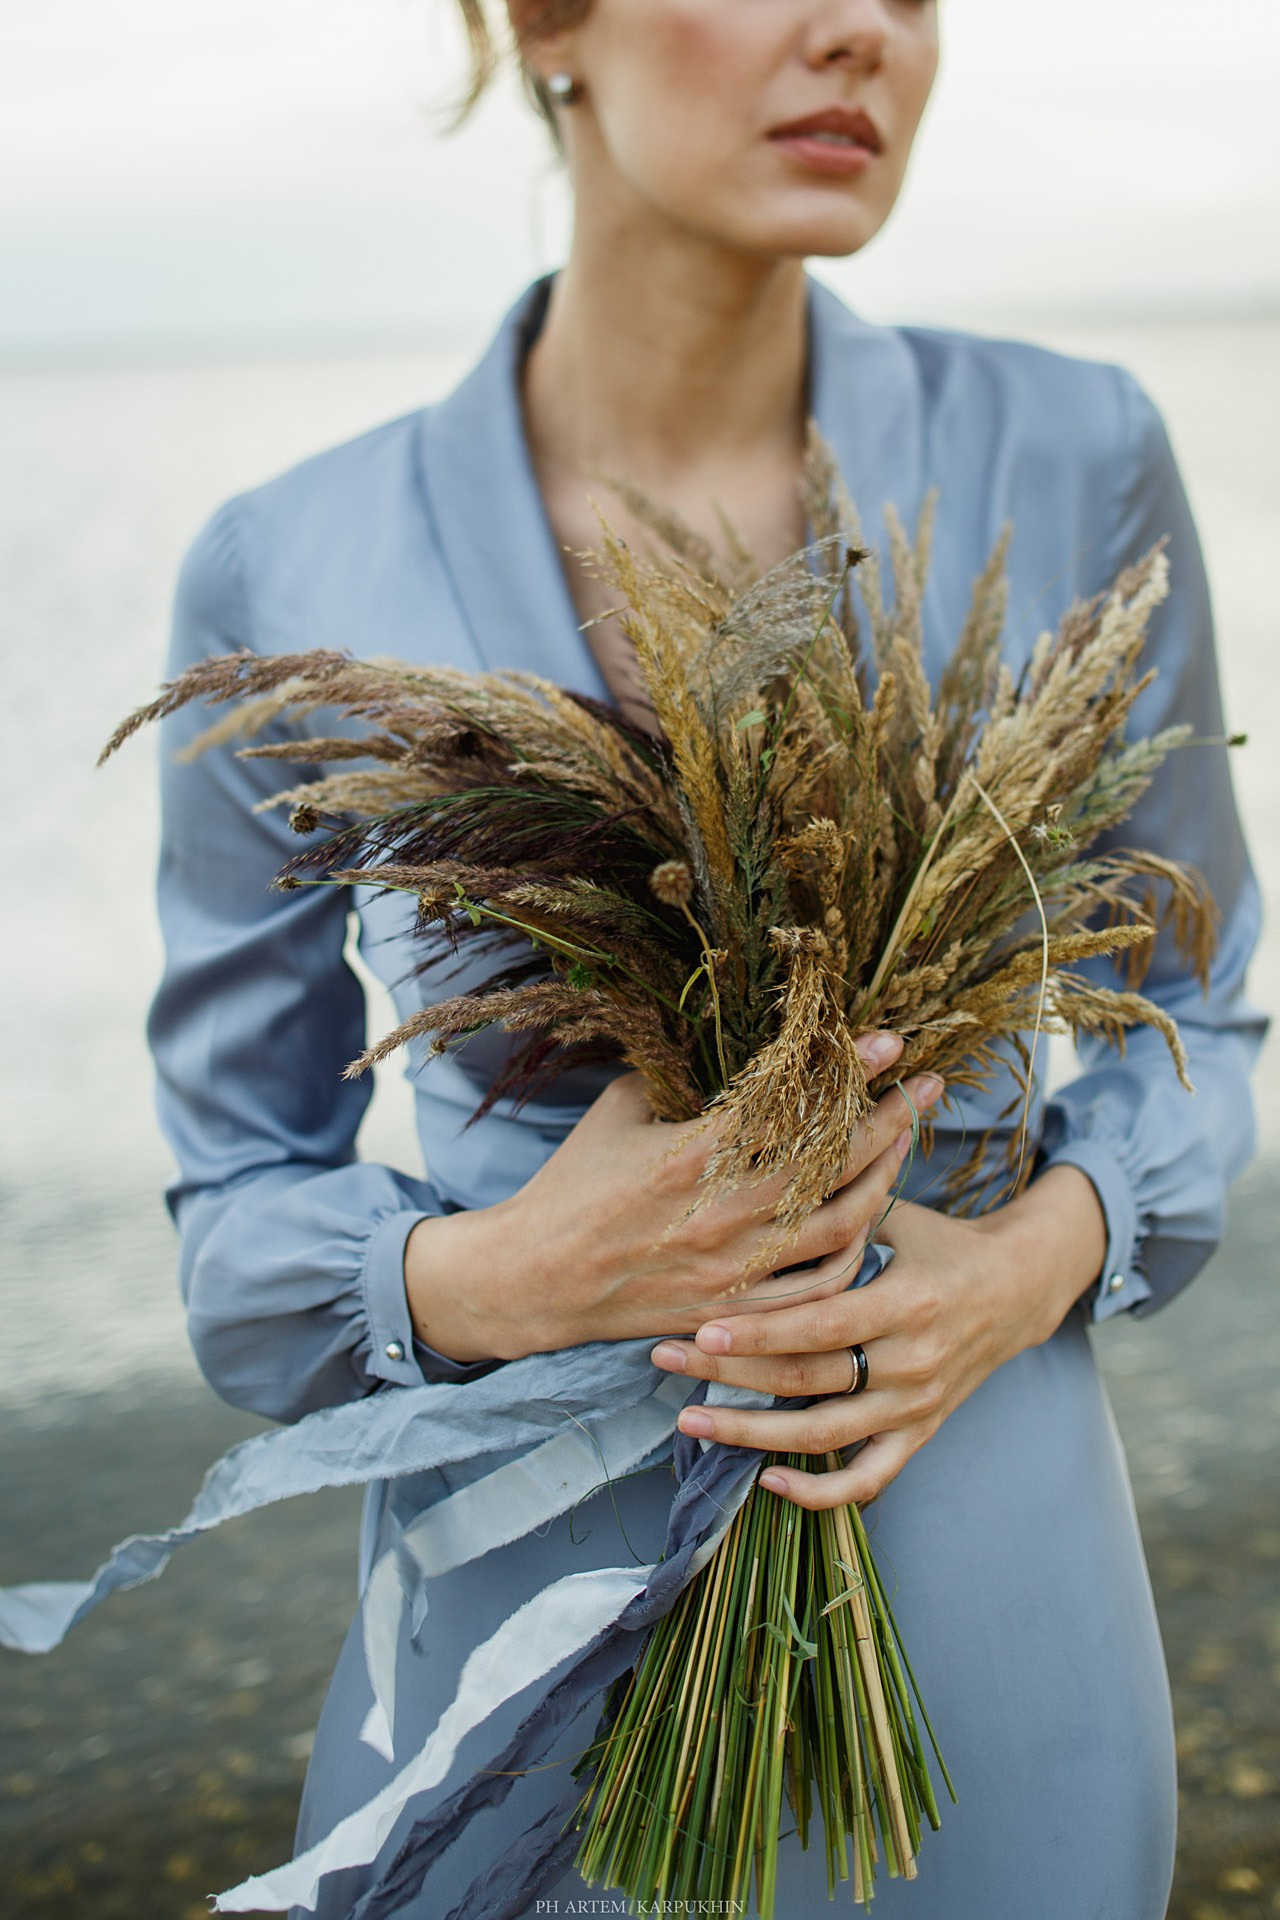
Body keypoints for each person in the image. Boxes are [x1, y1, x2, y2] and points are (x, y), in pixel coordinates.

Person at [147, 1, 1266, 1914]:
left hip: (993, 1579)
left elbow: (1206, 1009)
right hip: (518, 1615)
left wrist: (1023, 1265)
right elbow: (235, 1222)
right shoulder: (288, 564)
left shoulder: (1075, 449)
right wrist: (501, 1274)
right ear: (550, 26)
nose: (866, 36)